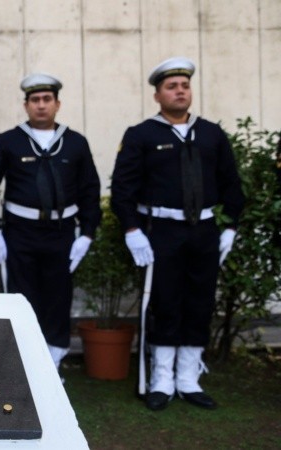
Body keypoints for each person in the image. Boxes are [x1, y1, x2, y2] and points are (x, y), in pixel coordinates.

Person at [111, 57, 244, 411]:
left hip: (203, 230)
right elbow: (122, 189)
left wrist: (230, 226)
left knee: (199, 301)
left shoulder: (211, 133)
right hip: (160, 231)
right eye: (172, 86)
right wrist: (132, 229)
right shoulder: (142, 135)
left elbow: (232, 184)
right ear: (157, 95)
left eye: (184, 85)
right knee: (165, 302)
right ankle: (162, 381)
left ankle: (188, 379)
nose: (180, 91)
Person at [0, 74, 101, 371]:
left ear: (57, 104)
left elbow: (89, 190)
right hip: (20, 233)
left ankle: (53, 365)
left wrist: (88, 233)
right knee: (21, 298)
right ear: (26, 105)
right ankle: (22, 364)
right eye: (35, 100)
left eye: (47, 100)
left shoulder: (75, 143)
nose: (41, 106)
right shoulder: (9, 141)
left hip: (62, 233)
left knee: (58, 297)